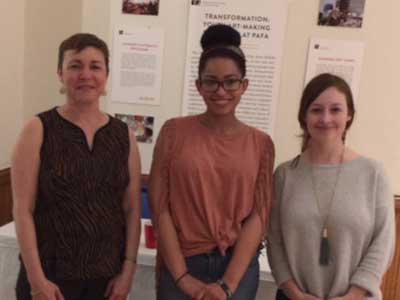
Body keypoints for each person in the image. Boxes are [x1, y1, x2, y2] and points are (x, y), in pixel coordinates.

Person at [148, 24, 275, 300]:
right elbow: (160, 209)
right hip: (182, 263)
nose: (221, 91)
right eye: (211, 81)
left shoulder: (261, 144)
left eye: (230, 81)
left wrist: (228, 284)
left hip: (237, 267)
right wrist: (182, 278)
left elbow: (258, 216)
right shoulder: (173, 133)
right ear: (199, 85)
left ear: (244, 85)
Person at [11, 33, 142, 300]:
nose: (86, 74)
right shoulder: (38, 129)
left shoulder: (123, 135)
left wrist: (127, 271)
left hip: (106, 281)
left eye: (95, 66)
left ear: (106, 75)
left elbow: (131, 209)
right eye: (75, 65)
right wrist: (37, 282)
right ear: (60, 73)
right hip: (50, 279)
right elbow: (22, 210)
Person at [267, 73, 395, 300]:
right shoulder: (285, 175)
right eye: (316, 110)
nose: (326, 119)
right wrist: (294, 294)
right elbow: (274, 241)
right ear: (304, 116)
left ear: (349, 115)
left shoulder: (373, 173)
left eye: (335, 110)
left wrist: (353, 295)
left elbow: (383, 243)